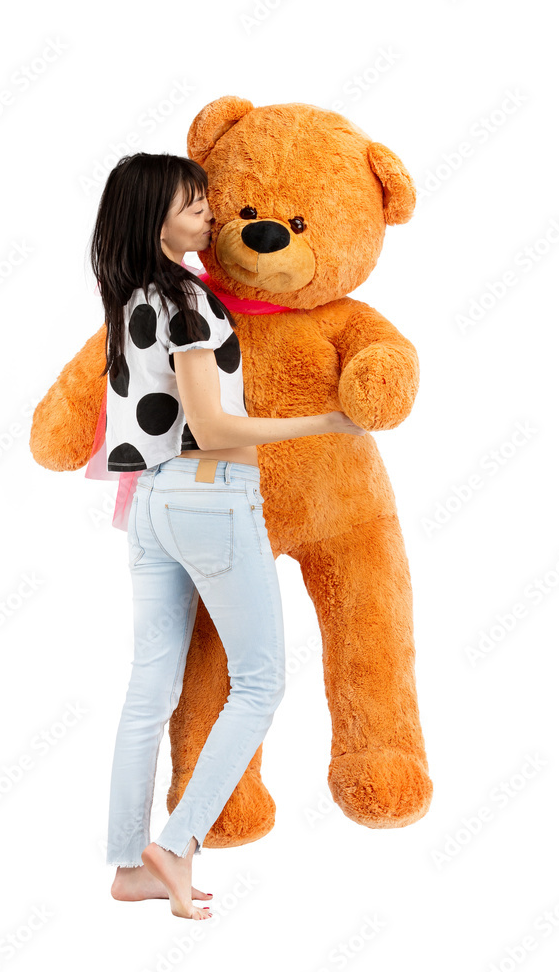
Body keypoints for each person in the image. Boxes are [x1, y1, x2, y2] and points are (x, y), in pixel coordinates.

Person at [90, 152, 366, 921]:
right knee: (260, 682)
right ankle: (172, 848)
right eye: (191, 205)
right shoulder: (188, 299)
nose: (208, 214)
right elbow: (211, 427)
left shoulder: (132, 295)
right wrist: (327, 420)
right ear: (154, 216)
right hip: (209, 497)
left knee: (148, 690)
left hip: (149, 503)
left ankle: (128, 864)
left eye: (206, 200)